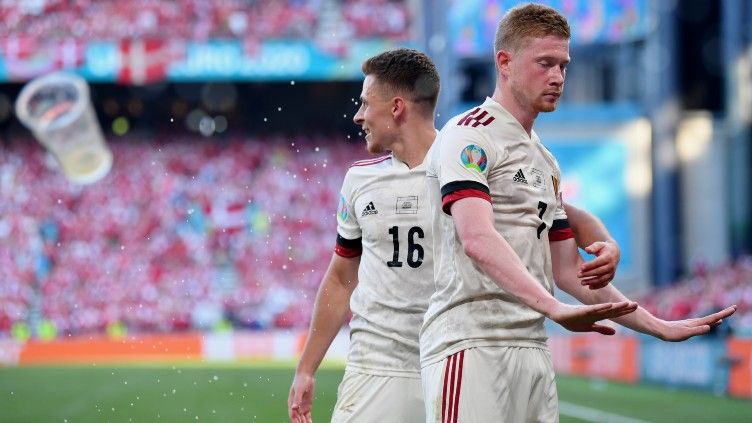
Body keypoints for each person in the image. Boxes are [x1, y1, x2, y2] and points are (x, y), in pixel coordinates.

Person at [420, 4, 737, 423]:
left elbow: (569, 271)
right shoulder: (468, 133)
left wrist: (656, 325)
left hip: (531, 346)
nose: (557, 77)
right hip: (472, 342)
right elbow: (476, 239)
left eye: (564, 66)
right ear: (505, 62)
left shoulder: (544, 161)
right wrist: (554, 307)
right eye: (545, 63)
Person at [288, 48, 627, 423]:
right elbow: (340, 278)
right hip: (378, 366)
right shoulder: (359, 180)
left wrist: (605, 242)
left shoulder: (466, 157)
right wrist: (306, 369)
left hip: (457, 356)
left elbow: (560, 210)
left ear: (397, 107)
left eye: (366, 103)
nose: (358, 115)